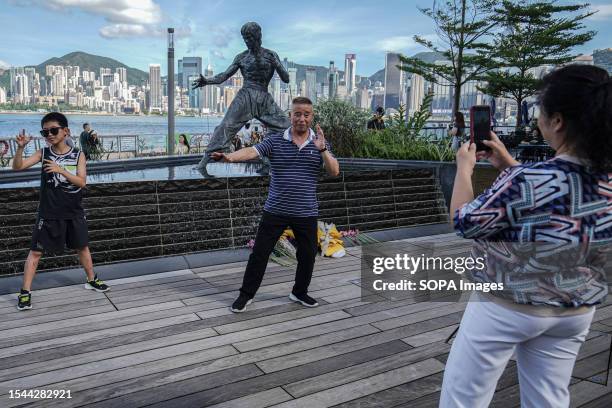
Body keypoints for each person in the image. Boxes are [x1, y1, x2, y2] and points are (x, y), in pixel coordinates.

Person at [440, 64, 612, 407]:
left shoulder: (526, 181)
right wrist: (510, 164)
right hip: (576, 310)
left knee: (465, 398)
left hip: (508, 306)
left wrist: (464, 170)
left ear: (558, 121)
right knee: (547, 399)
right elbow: (561, 194)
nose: (538, 121)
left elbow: (464, 221)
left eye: (541, 112)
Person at [211, 97, 340, 313]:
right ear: (290, 116)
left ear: (311, 117)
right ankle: (246, 294)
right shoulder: (276, 140)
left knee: (307, 255)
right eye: (297, 113)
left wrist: (323, 149)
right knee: (260, 254)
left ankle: (299, 292)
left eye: (306, 114)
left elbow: (334, 171)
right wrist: (229, 158)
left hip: (306, 212)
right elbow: (253, 150)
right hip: (275, 210)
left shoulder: (320, 143)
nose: (301, 118)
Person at [11, 112, 109, 311]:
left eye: (53, 130)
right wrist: (20, 148)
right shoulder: (43, 153)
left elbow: (82, 182)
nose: (49, 134)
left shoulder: (78, 155)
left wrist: (61, 170)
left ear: (66, 132)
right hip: (49, 212)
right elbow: (18, 167)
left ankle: (91, 280)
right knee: (36, 252)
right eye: (45, 131)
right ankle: (25, 292)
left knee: (82, 247)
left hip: (73, 210)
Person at [192, 22, 291, 176]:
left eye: (250, 37)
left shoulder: (271, 55)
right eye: (245, 38)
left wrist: (277, 63)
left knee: (284, 126)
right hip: (246, 96)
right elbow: (223, 76)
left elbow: (286, 79)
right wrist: (207, 81)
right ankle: (203, 163)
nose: (247, 41)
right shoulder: (242, 57)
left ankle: (265, 158)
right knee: (226, 126)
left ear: (259, 36)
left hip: (264, 98)